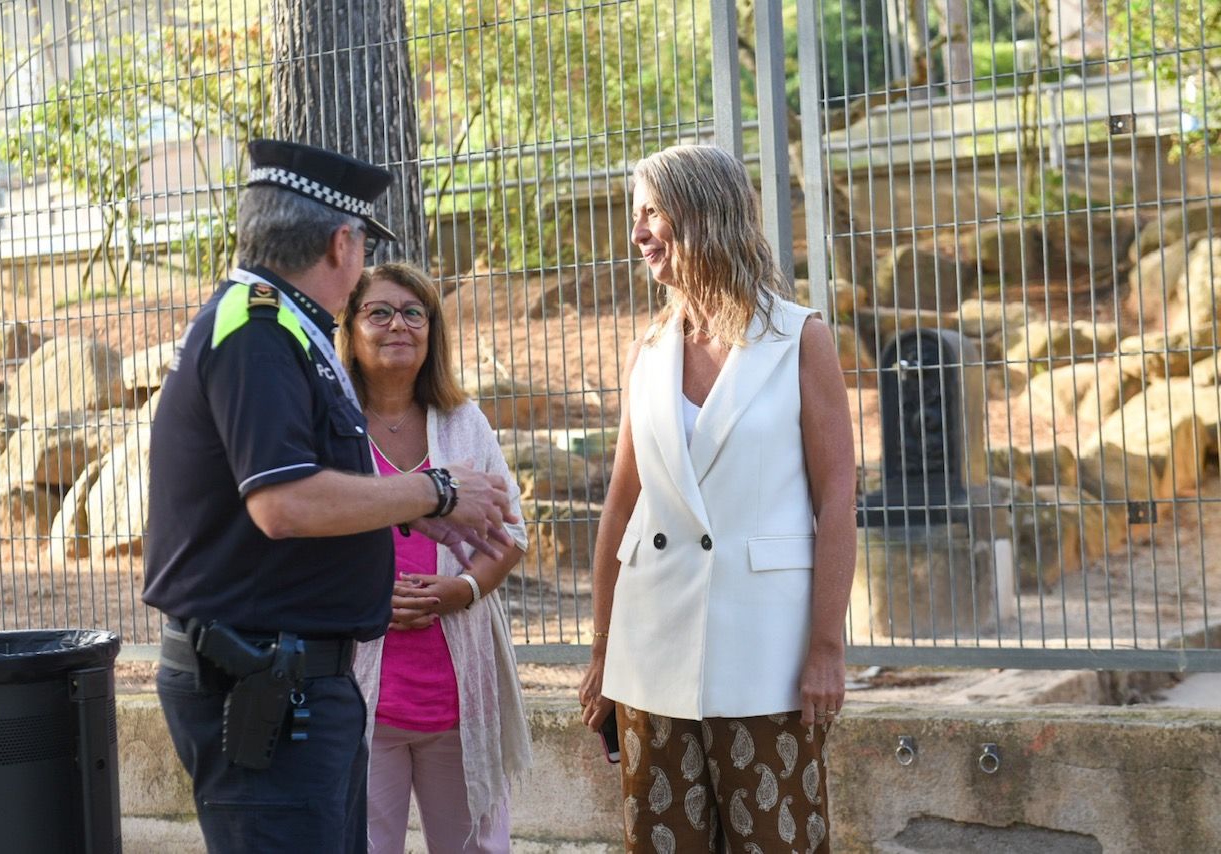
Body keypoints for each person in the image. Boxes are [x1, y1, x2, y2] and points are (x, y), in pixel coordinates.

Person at [143, 139, 515, 854]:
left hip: (299, 681)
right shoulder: (256, 332)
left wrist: (417, 508)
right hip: (263, 683)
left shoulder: (286, 330)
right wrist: (432, 492)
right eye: (363, 243)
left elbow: (310, 487)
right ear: (343, 242)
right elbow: (283, 504)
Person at [577, 144, 856, 853]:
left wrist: (827, 648)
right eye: (633, 216)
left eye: (651, 213)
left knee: (779, 839)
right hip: (651, 650)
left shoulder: (800, 338)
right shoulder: (648, 351)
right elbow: (619, 507)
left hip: (767, 651)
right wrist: (603, 648)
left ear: (704, 213)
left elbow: (838, 499)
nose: (636, 233)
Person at [334, 262, 532, 853]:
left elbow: (511, 533)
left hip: (456, 694)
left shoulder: (463, 422)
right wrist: (364, 597)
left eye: (414, 313)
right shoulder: (331, 425)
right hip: (362, 693)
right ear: (351, 327)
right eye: (380, 312)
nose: (399, 324)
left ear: (431, 331)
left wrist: (462, 590)